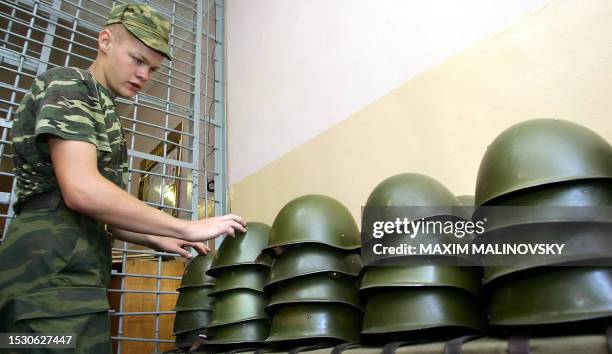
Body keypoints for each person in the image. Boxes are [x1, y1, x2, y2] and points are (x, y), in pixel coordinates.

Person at [0, 3, 245, 353]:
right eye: (138, 59)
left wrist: (156, 237)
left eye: (153, 68)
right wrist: (184, 227)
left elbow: (101, 212)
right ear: (105, 41)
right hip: (46, 277)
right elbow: (82, 191)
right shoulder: (71, 85)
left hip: (74, 275)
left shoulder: (104, 110)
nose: (144, 74)